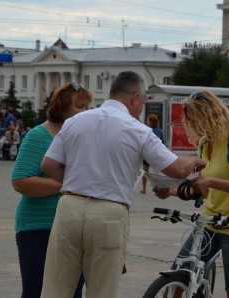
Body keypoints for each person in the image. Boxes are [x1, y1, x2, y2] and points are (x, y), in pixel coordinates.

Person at [40, 71, 205, 298]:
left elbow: (48, 165)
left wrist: (79, 178)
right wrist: (194, 160)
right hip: (109, 213)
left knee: (55, 289)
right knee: (101, 290)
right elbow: (176, 170)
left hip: (69, 208)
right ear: (135, 97)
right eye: (143, 101)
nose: (141, 109)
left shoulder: (75, 121)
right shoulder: (139, 130)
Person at [153, 90, 229, 298]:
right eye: (190, 121)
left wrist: (210, 180)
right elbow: (204, 190)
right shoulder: (204, 143)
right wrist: (171, 192)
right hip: (210, 222)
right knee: (177, 277)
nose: (194, 126)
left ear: (211, 115)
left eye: (197, 120)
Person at [11, 82, 92, 298]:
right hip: (38, 227)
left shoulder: (81, 137)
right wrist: (67, 185)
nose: (85, 112)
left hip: (74, 226)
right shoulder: (38, 136)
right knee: (36, 291)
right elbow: (20, 181)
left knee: (72, 291)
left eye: (87, 106)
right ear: (62, 108)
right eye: (79, 106)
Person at [140, 113, 164, 194]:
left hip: (147, 154)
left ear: (151, 122)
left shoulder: (147, 130)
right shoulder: (160, 131)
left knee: (145, 172)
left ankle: (144, 188)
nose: (146, 121)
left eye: (147, 120)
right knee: (157, 172)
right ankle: (158, 188)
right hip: (156, 154)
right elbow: (162, 143)